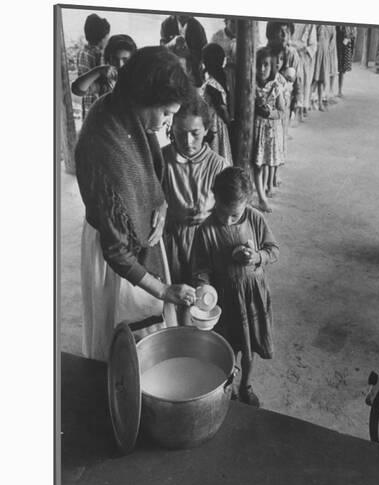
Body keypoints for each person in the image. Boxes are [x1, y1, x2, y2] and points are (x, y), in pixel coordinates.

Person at [75, 47, 196, 361]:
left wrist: (162, 204)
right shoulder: (105, 150)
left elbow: (151, 171)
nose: (168, 123)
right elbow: (116, 251)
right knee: (122, 344)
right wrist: (164, 291)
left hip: (137, 236)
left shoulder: (127, 112)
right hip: (113, 253)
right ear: (144, 99)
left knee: (147, 334)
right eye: (166, 113)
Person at [192, 167, 279, 407]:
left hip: (252, 297)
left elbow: (274, 250)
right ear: (215, 199)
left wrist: (257, 257)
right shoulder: (206, 230)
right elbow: (201, 268)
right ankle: (228, 386)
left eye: (234, 214)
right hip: (225, 301)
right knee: (226, 348)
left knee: (249, 347)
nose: (227, 219)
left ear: (247, 202)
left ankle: (246, 385)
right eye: (222, 211)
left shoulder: (255, 219)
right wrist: (203, 288)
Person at [162, 93, 228, 324]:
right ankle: (176, 341)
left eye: (195, 134)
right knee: (175, 297)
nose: (188, 142)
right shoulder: (163, 160)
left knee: (204, 298)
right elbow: (152, 202)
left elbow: (232, 209)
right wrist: (170, 213)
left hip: (206, 242)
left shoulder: (218, 164)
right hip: (171, 241)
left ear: (207, 129)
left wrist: (211, 214)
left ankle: (197, 343)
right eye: (180, 134)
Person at [253, 48, 286, 213]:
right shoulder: (250, 85)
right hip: (255, 132)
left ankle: (266, 187)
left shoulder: (276, 86)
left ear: (272, 66)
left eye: (266, 65)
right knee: (256, 165)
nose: (262, 69)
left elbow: (281, 111)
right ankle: (261, 198)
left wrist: (269, 113)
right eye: (259, 65)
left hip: (270, 133)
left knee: (266, 161)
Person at [72, 34, 137, 99]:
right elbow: (78, 89)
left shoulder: (139, 79)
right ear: (108, 59)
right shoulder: (106, 82)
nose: (120, 64)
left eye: (125, 60)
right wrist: (98, 70)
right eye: (115, 59)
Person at [200, 43, 233, 165]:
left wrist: (228, 121)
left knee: (215, 151)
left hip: (213, 121)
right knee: (219, 151)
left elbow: (221, 106)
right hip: (217, 122)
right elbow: (222, 107)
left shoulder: (211, 83)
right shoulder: (215, 82)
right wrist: (229, 122)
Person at [76, 13, 110, 120]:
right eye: (107, 36)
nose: (108, 39)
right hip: (95, 104)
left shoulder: (86, 52)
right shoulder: (92, 54)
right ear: (101, 38)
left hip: (93, 103)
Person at [160, 14, 207, 86]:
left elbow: (204, 52)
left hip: (193, 73)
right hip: (172, 73)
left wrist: (189, 54)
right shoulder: (166, 24)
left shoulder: (197, 26)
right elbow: (162, 50)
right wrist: (173, 43)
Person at [266, 21, 302, 116]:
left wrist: (296, 103)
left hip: (284, 103)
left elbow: (298, 82)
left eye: (287, 31)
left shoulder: (292, 53)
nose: (284, 35)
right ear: (272, 33)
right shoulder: (265, 54)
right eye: (280, 31)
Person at [211, 18, 237, 121]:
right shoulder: (217, 37)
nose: (236, 27)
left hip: (238, 76)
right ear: (226, 21)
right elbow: (209, 56)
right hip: (220, 75)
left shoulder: (245, 38)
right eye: (233, 22)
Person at [290, 23, 317, 118]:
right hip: (290, 57)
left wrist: (304, 48)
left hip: (303, 58)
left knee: (302, 83)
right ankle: (291, 109)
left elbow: (313, 45)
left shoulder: (309, 25)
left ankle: (300, 110)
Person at [312, 25, 330, 111]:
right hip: (316, 56)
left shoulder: (328, 27)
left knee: (321, 80)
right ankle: (308, 102)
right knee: (314, 80)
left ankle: (319, 102)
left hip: (324, 56)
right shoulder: (318, 27)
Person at [335, 26, 356, 96]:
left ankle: (339, 90)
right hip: (338, 46)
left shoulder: (350, 27)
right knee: (336, 69)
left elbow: (353, 36)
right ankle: (336, 90)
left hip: (345, 48)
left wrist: (349, 37)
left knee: (341, 70)